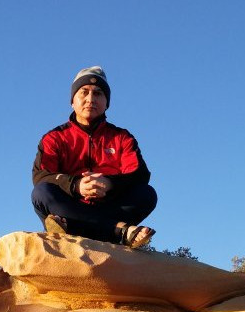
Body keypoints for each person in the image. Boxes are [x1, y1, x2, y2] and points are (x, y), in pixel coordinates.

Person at [31, 66, 157, 248]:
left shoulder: (122, 137)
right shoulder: (54, 138)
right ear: (72, 101)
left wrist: (110, 184)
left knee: (147, 193)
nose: (90, 99)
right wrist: (75, 185)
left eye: (98, 93)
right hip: (70, 208)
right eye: (84, 92)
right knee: (41, 192)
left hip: (110, 207)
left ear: (107, 103)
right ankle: (120, 231)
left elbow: (139, 174)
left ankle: (76, 229)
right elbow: (41, 175)